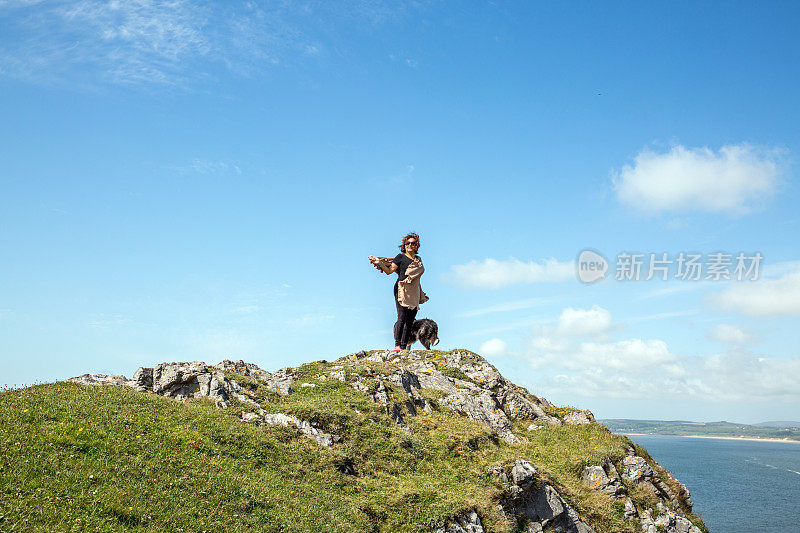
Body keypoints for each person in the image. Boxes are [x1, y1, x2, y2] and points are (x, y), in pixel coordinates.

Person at [368, 233, 429, 352]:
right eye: (408, 243)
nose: (410, 245)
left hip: (414, 291)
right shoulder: (400, 257)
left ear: (416, 246)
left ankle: (404, 346)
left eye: (413, 243)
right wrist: (379, 263)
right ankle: (397, 345)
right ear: (404, 245)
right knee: (402, 317)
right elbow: (389, 271)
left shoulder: (418, 260)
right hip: (401, 289)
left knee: (410, 320)